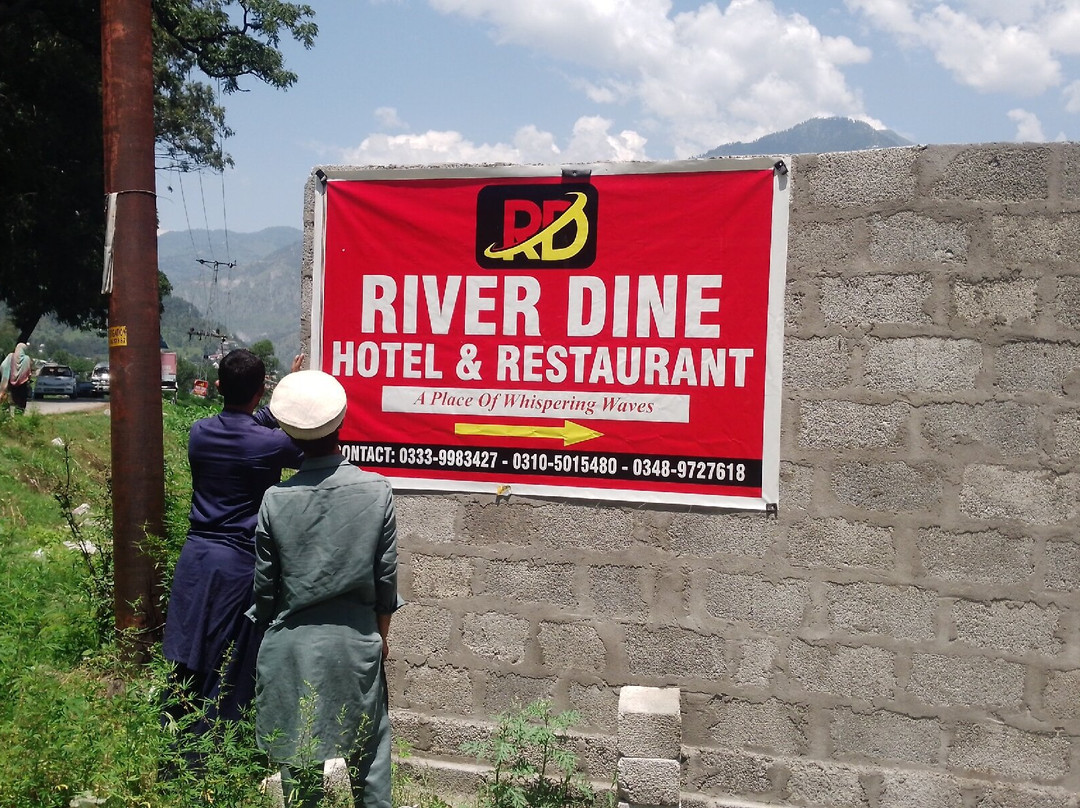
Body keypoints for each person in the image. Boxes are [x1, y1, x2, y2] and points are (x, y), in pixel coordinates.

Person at [252, 370, 400, 808]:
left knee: (300, 763)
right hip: (357, 642)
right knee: (370, 755)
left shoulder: (275, 499)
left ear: (289, 435)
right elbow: (386, 580)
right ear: (341, 424)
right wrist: (380, 638)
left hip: (292, 648)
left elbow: (265, 590)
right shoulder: (376, 491)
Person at [162, 348, 304, 734]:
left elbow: (247, 424)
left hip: (195, 558)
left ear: (219, 386)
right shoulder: (270, 444)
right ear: (260, 390)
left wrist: (275, 395)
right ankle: (209, 750)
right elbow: (308, 445)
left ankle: (170, 741)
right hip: (238, 566)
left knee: (185, 656)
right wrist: (292, 393)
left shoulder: (199, 432)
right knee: (226, 661)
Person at [0, 342, 33, 411]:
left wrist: (7, 375)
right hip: (22, 385)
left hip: (10, 385)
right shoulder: (27, 359)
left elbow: (3, 366)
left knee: (8, 399)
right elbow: (29, 373)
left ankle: (6, 414)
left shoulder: (10, 357)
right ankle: (19, 414)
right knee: (21, 403)